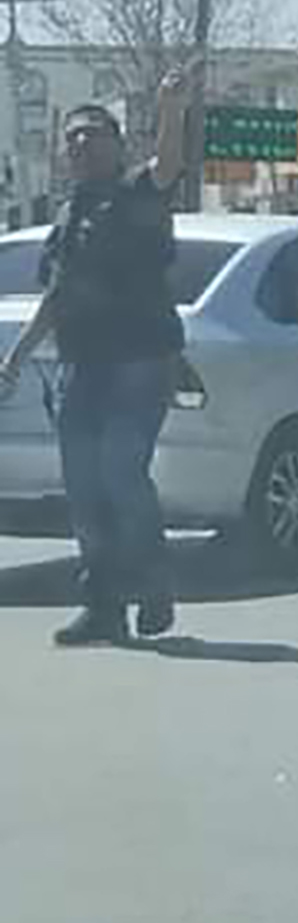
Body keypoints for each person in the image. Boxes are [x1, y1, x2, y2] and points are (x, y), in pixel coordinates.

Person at [0, 80, 191, 646]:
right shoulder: (70, 212)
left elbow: (169, 163)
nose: (81, 144)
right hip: (82, 367)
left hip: (140, 360)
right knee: (83, 487)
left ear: (116, 143)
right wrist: (13, 359)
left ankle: (153, 581)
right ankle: (103, 605)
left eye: (92, 134)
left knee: (119, 471)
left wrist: (171, 110)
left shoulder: (138, 190)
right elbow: (56, 297)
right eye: (72, 138)